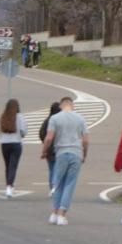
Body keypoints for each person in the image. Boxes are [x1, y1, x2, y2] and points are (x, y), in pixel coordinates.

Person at [42, 96, 89, 226]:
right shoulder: (80, 119)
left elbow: (49, 138)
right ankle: (62, 214)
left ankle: (55, 213)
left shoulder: (55, 118)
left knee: (58, 183)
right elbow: (85, 140)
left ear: (61, 106)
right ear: (72, 106)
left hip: (61, 153)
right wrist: (84, 153)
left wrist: (44, 151)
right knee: (70, 183)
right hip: (76, 153)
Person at [0, 99, 27, 198]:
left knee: (7, 166)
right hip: (16, 143)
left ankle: (8, 186)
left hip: (4, 144)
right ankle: (10, 186)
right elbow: (23, 131)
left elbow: (0, 131)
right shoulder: (19, 117)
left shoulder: (3, 116)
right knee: (13, 166)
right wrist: (21, 135)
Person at [38, 101, 61, 194]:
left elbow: (41, 133)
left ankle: (52, 187)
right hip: (59, 147)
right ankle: (55, 186)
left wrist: (44, 143)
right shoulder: (60, 121)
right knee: (57, 168)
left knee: (52, 169)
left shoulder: (47, 120)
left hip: (49, 148)